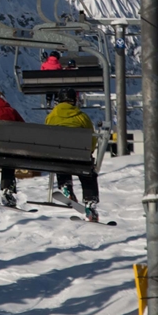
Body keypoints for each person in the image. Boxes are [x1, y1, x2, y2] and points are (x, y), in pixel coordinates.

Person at [46, 89, 101, 221]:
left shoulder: (52, 116)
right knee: (88, 173)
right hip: (80, 158)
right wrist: (90, 151)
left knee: (60, 157)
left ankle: (65, 185)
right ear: (74, 101)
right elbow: (92, 138)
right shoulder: (82, 117)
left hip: (58, 158)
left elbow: (48, 138)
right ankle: (90, 203)